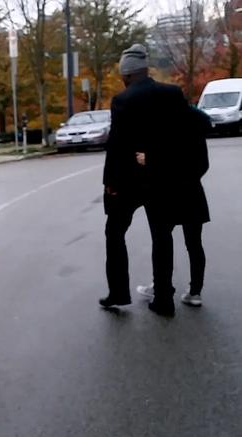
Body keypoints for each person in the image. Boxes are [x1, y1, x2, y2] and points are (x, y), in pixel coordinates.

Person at [100, 44, 190, 316]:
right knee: (162, 236)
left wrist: (110, 183)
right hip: (163, 179)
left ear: (127, 75)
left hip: (128, 182)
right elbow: (184, 137)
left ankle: (118, 292)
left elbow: (116, 146)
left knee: (115, 234)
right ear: (146, 70)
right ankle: (164, 298)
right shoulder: (173, 94)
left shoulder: (123, 100)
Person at [134, 105, 211, 307]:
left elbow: (165, 160)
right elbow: (202, 164)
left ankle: (160, 285)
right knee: (194, 243)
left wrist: (149, 160)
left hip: (166, 193)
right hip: (193, 192)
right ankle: (195, 291)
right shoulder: (196, 128)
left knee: (161, 242)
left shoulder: (161, 127)